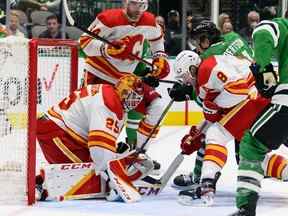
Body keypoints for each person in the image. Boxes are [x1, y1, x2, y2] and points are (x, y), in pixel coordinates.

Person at [168, 50, 288, 206]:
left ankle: (207, 185)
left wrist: (212, 107)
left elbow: (238, 91)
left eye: (184, 77)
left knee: (216, 135)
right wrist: (196, 133)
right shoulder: (210, 67)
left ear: (192, 68)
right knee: (252, 156)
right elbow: (220, 111)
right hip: (260, 98)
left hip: (253, 98)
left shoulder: (206, 71)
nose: (186, 82)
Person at [36, 74, 164, 202]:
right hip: (58, 134)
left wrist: (115, 154)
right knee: (95, 178)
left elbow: (100, 142)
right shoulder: (109, 103)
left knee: (99, 169)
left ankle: (43, 183)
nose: (134, 103)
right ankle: (42, 185)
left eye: (137, 99)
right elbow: (99, 147)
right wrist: (111, 177)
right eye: (132, 97)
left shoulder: (109, 93)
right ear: (123, 91)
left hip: (63, 133)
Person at [79, 0, 169, 171]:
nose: (139, 10)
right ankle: (87, 157)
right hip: (99, 75)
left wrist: (160, 58)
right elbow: (84, 43)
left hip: (127, 80)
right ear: (126, 2)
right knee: (95, 121)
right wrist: (107, 50)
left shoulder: (149, 21)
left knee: (157, 106)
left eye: (143, 6)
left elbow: (157, 41)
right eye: (135, 5)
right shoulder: (108, 18)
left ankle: (137, 154)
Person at [173, 20, 254, 189]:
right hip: (258, 92)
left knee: (211, 135)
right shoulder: (234, 37)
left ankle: (200, 177)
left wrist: (188, 92)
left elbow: (207, 97)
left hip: (238, 103)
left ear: (206, 40)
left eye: (198, 42)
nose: (196, 47)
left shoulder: (208, 56)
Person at [231, 17, 288, 216]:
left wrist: (265, 71)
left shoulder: (284, 25)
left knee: (252, 145)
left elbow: (263, 30)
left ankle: (246, 207)